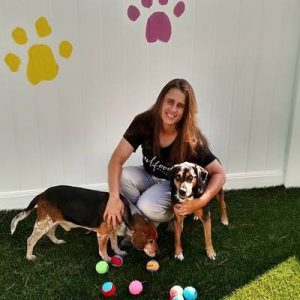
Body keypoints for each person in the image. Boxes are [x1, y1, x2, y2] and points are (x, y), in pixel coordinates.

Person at [103, 78, 226, 229]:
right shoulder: (143, 122)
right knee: (121, 177)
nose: (173, 109)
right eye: (170, 101)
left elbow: (219, 173)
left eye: (180, 106)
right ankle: (139, 224)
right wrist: (114, 198)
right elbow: (116, 159)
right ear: (161, 100)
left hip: (172, 185)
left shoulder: (191, 138)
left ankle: (161, 215)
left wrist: (200, 201)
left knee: (147, 205)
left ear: (186, 111)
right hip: (148, 176)